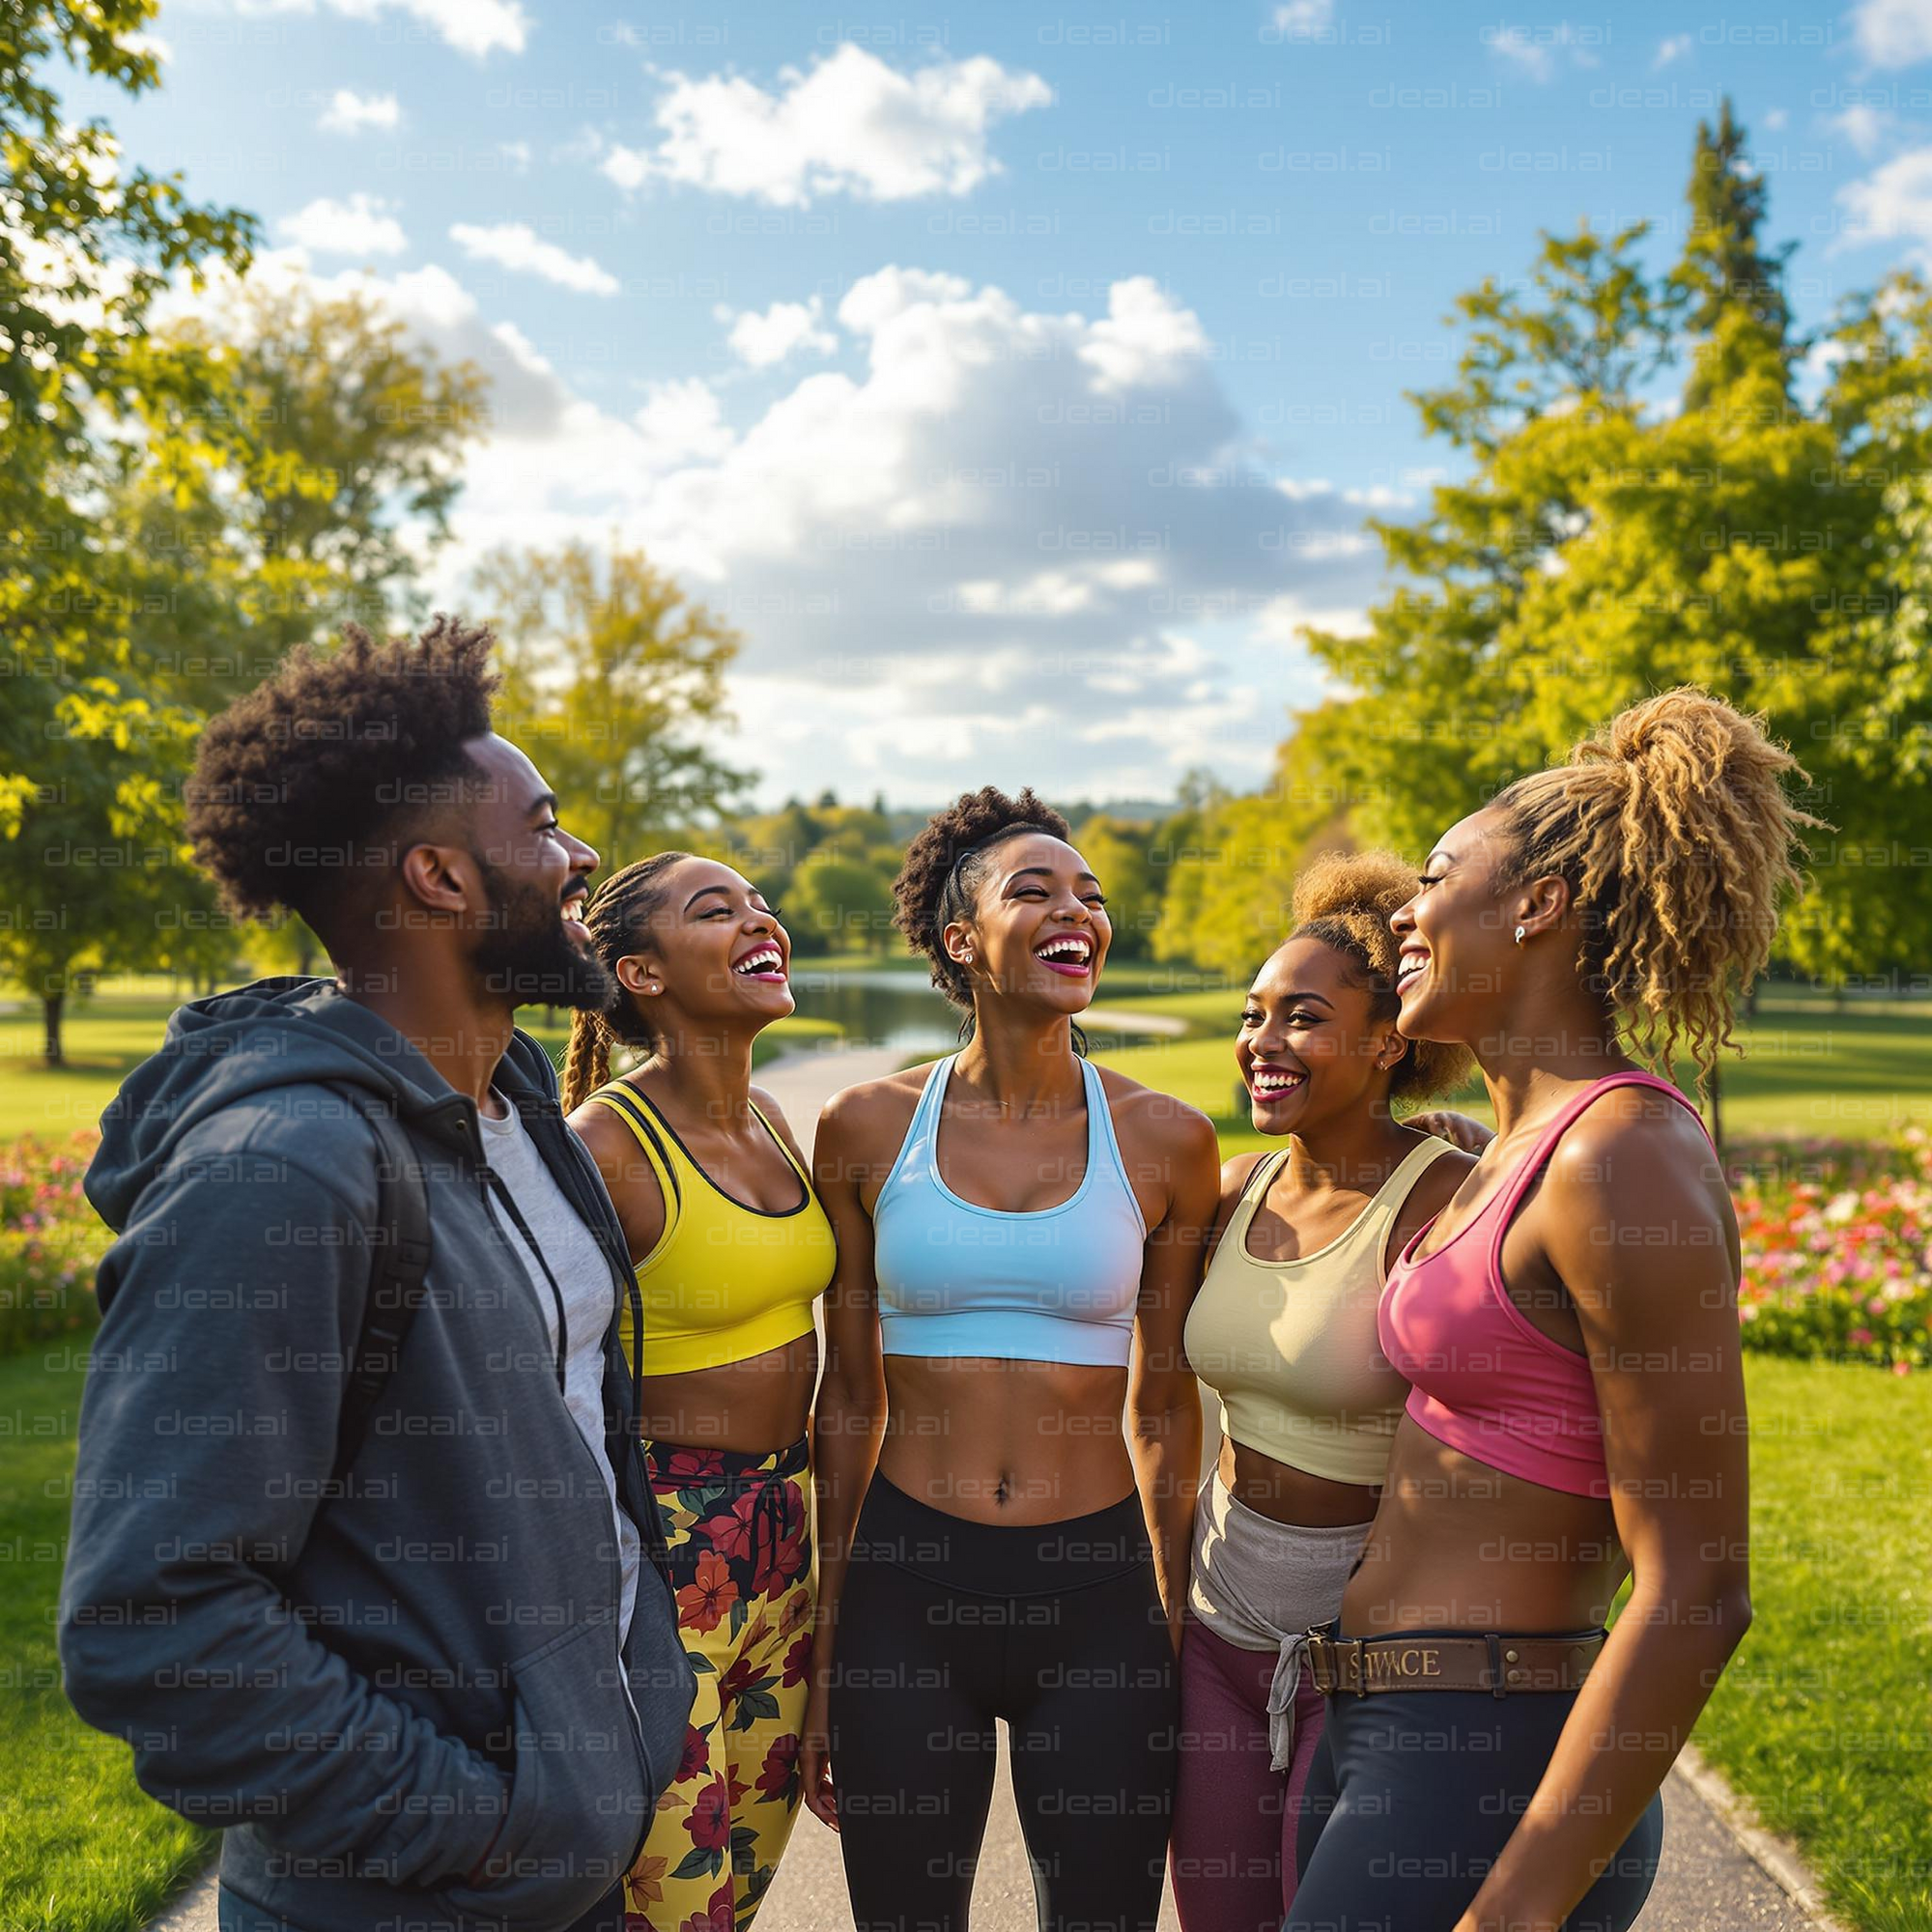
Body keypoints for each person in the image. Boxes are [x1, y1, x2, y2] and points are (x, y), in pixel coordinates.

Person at [58, 618, 693, 1932]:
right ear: (442, 877)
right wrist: (470, 1831)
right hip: (408, 1896)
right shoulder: (282, 1173)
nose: (583, 859)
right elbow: (154, 1617)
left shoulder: (514, 1101)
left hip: (565, 1867)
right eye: (548, 825)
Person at [1287, 689, 1821, 1932]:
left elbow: (1697, 1583)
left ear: (1534, 904)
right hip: (1379, 1732)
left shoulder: (1617, 1157)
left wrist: (1515, 1907)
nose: (1401, 914)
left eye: (1434, 877)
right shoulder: (1510, 1148)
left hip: (1482, 1760)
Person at [801, 786, 1221, 1932]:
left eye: (1088, 893)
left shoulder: (1167, 1137)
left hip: (1098, 1597)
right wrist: (833, 1625)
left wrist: (1167, 1614)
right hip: (905, 1586)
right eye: (1031, 889)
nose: (1072, 907)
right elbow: (845, 1396)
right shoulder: (865, 1125)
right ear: (959, 938)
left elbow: (1167, 1403)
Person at [1169, 853, 1484, 1930]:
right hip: (1216, 1627)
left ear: (1387, 1041)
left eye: (1300, 1017)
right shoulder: (1227, 1190)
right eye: (1252, 1014)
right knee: (1218, 1911)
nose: (1260, 1042)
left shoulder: (1441, 1196)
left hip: (1363, 1648)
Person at [560, 855, 835, 1932]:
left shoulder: (768, 1115)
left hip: (784, 1538)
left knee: (747, 1878)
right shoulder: (606, 1147)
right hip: (666, 1555)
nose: (758, 918)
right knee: (673, 1901)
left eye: (758, 898)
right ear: (640, 971)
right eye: (714, 909)